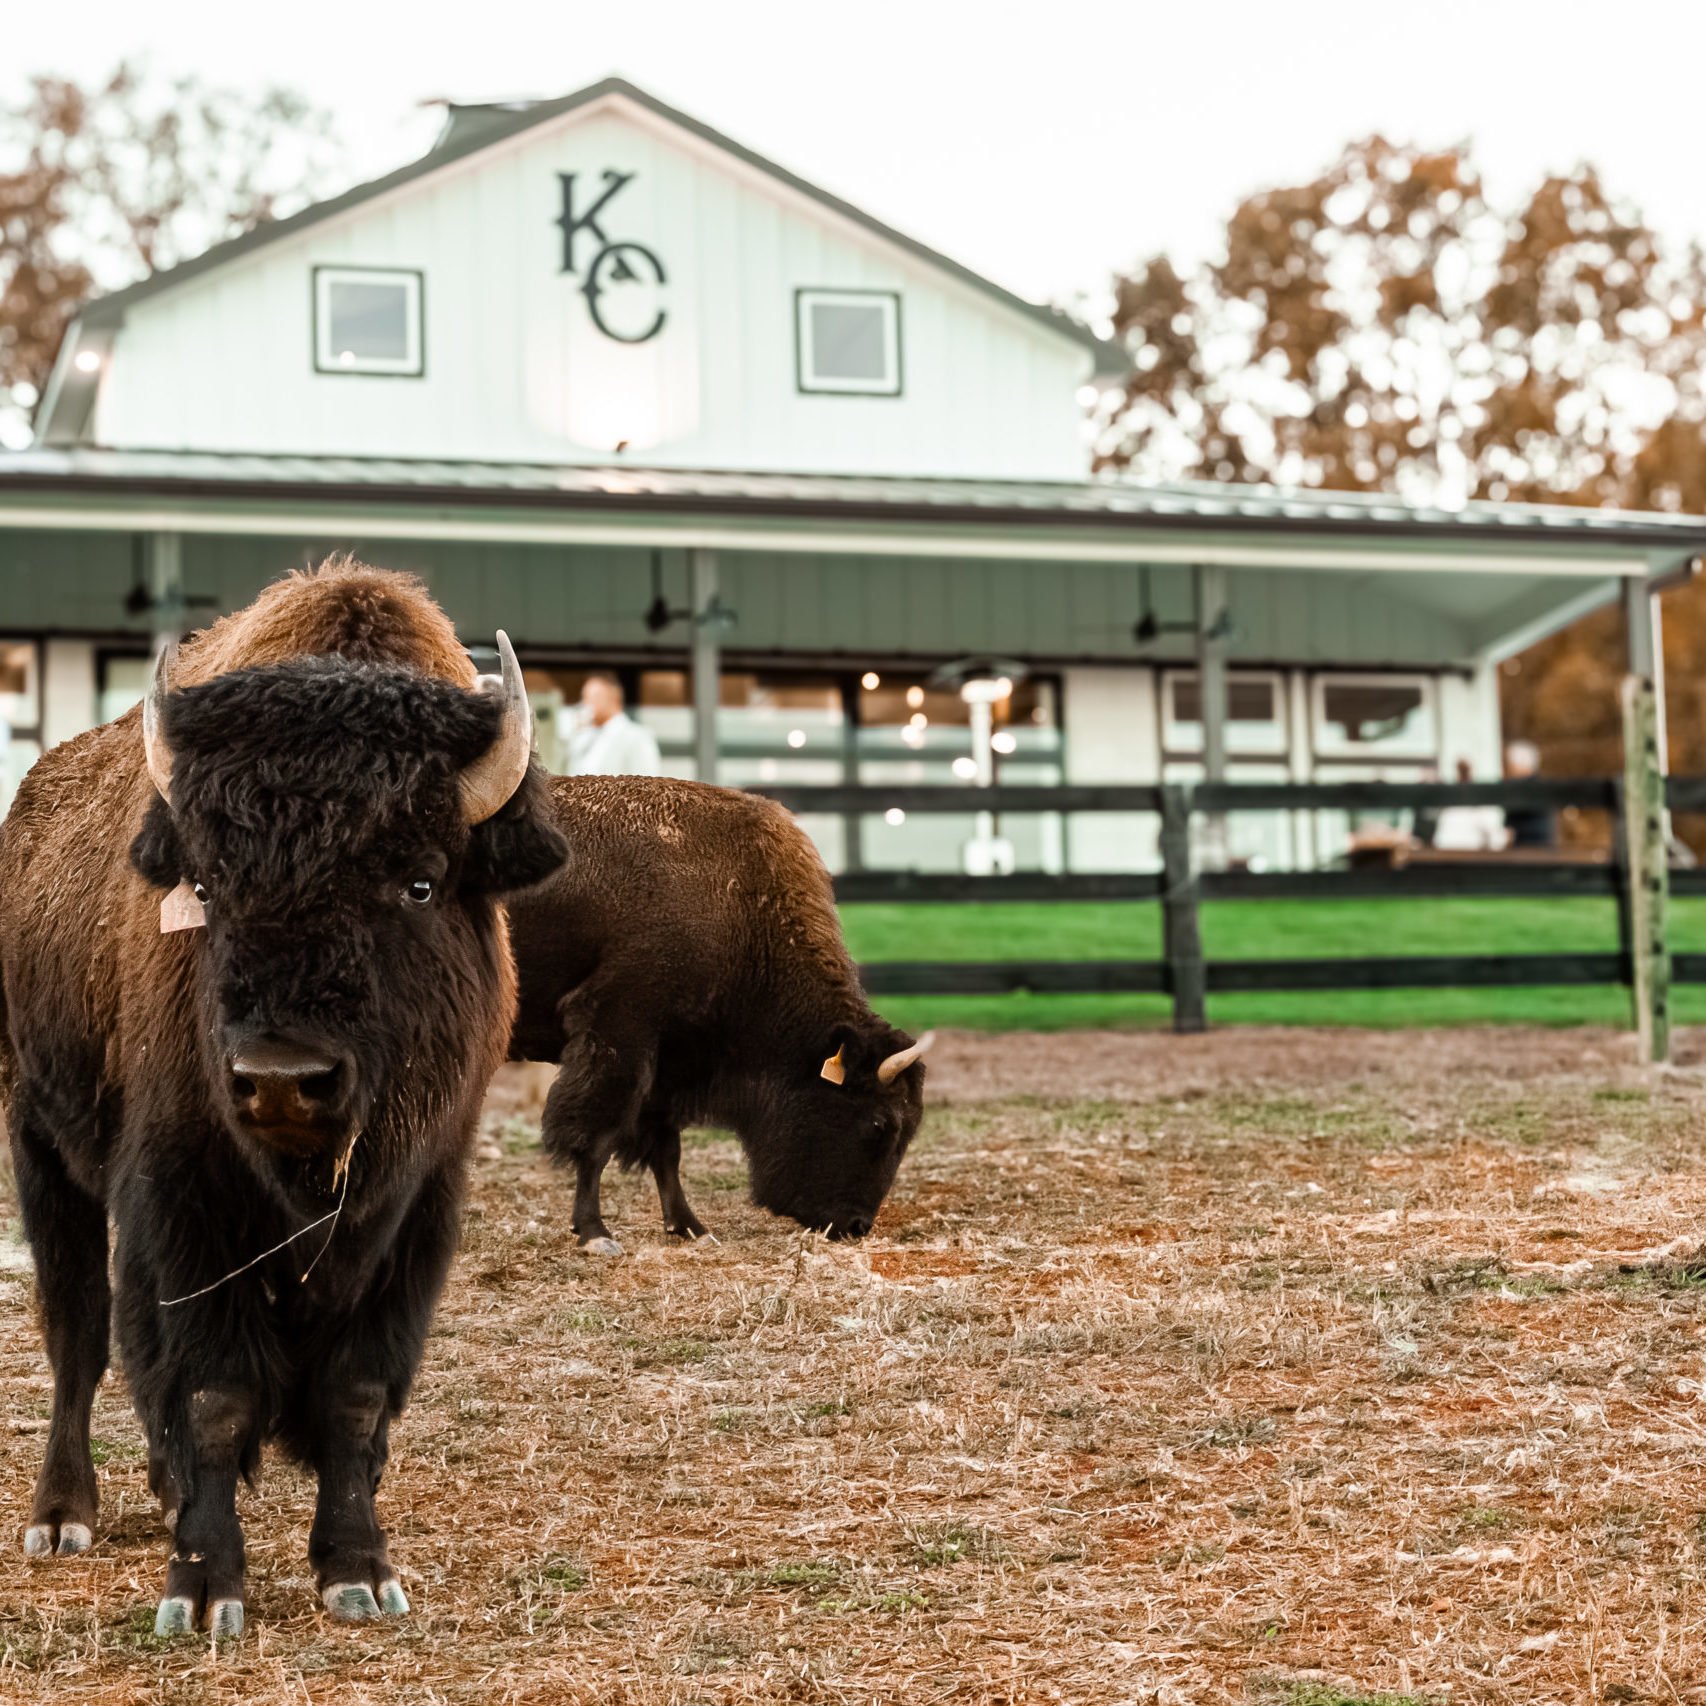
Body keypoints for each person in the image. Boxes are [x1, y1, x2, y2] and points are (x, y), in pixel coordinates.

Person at [566, 671, 661, 776]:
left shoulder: (637, 736)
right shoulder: (584, 737)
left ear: (614, 697)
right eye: (585, 697)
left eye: (595, 696)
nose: (587, 703)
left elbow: (647, 782)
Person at [1431, 757, 1509, 852]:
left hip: (1473, 858)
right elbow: (1440, 841)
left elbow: (1497, 841)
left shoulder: (1482, 805)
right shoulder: (1450, 809)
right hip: (1452, 856)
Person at [1501, 739, 1559, 849]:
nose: (1506, 770)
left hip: (1528, 852)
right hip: (1544, 850)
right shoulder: (1541, 786)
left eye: (1508, 765)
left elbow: (1510, 831)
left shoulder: (1520, 789)